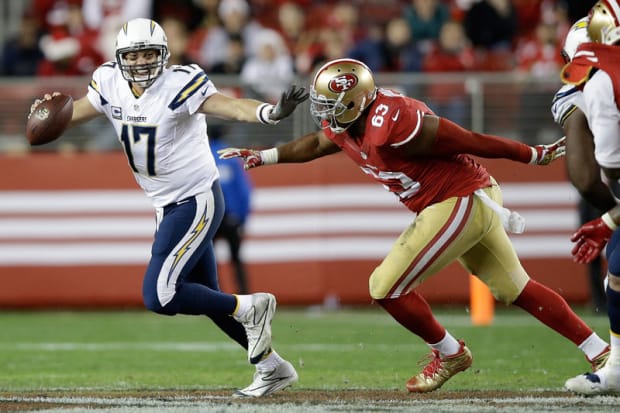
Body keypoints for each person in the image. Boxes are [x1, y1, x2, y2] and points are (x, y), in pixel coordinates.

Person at [219, 58, 610, 393]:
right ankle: (600, 351)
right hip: (459, 201)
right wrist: (266, 156)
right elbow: (320, 144)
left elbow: (467, 138)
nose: (324, 113)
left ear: (355, 103)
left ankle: (451, 353)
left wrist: (529, 154)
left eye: (330, 105)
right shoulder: (347, 123)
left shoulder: (396, 122)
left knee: (384, 285)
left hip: (460, 198)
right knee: (515, 287)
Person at [28, 18, 308, 398]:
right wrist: (46, 119)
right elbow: (73, 113)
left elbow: (230, 105)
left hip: (196, 199)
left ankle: (250, 306)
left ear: (164, 55)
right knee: (207, 297)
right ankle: (272, 367)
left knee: (159, 294)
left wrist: (269, 114)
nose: (141, 62)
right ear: (120, 57)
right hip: (166, 204)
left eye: (148, 53)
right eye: (134, 54)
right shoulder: (109, 80)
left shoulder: (179, 83)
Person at [557, 0, 620, 394]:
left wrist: (609, 218)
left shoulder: (600, 83)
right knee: (618, 266)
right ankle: (617, 370)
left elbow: (599, 172)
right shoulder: (597, 83)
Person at [209, 126, 253, 295]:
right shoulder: (231, 158)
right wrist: (242, 218)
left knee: (210, 262)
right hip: (231, 217)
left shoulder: (202, 156)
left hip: (211, 217)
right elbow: (244, 191)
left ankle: (214, 296)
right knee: (236, 260)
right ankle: (244, 296)